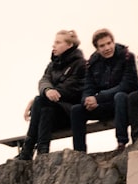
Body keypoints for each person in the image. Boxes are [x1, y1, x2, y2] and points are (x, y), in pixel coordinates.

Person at [15, 30, 86, 160]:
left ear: (69, 45)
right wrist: (47, 90)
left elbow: (71, 89)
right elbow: (43, 81)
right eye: (54, 43)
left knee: (41, 101)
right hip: (50, 113)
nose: (54, 46)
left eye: (58, 43)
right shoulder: (52, 65)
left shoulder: (80, 64)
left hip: (70, 114)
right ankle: (41, 151)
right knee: (43, 104)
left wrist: (47, 93)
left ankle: (29, 149)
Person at [70, 28, 138, 152]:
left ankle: (122, 142)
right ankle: (79, 152)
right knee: (76, 110)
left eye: (109, 43)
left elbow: (127, 84)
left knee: (120, 96)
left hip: (125, 103)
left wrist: (98, 98)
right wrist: (87, 100)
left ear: (113, 42)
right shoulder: (92, 63)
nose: (107, 48)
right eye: (102, 46)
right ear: (97, 48)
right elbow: (88, 87)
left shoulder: (127, 56)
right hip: (104, 105)